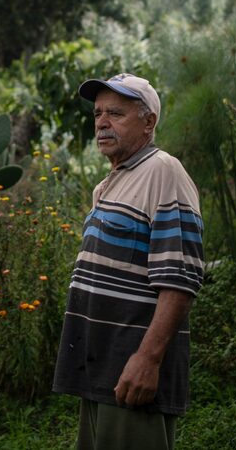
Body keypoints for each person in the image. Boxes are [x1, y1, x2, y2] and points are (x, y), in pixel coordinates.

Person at [52, 73, 204, 450]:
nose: (102, 122)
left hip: (131, 365)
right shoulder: (108, 184)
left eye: (116, 113)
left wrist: (147, 360)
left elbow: (180, 279)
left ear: (148, 121)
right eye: (98, 113)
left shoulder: (163, 171)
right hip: (101, 365)